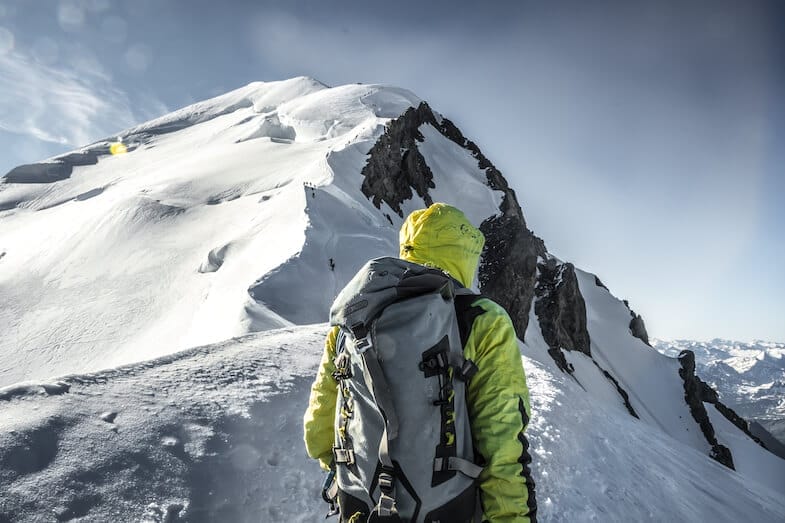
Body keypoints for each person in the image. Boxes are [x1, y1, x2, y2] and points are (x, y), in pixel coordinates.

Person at [304, 203, 537, 522]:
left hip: (360, 505)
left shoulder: (353, 317)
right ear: (466, 256)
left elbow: (318, 426)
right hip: (444, 509)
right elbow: (503, 441)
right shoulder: (483, 320)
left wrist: (339, 468)